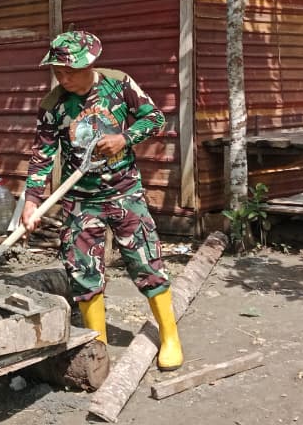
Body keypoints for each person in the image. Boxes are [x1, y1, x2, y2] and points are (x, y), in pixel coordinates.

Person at [19, 31, 182, 370]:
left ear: (89, 65)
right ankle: (98, 351)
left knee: (146, 262)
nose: (63, 79)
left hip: (125, 191)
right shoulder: (53, 106)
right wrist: (31, 201)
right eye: (57, 72)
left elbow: (154, 118)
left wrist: (125, 138)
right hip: (81, 200)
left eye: (69, 72)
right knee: (83, 272)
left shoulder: (118, 84)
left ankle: (169, 337)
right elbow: (42, 155)